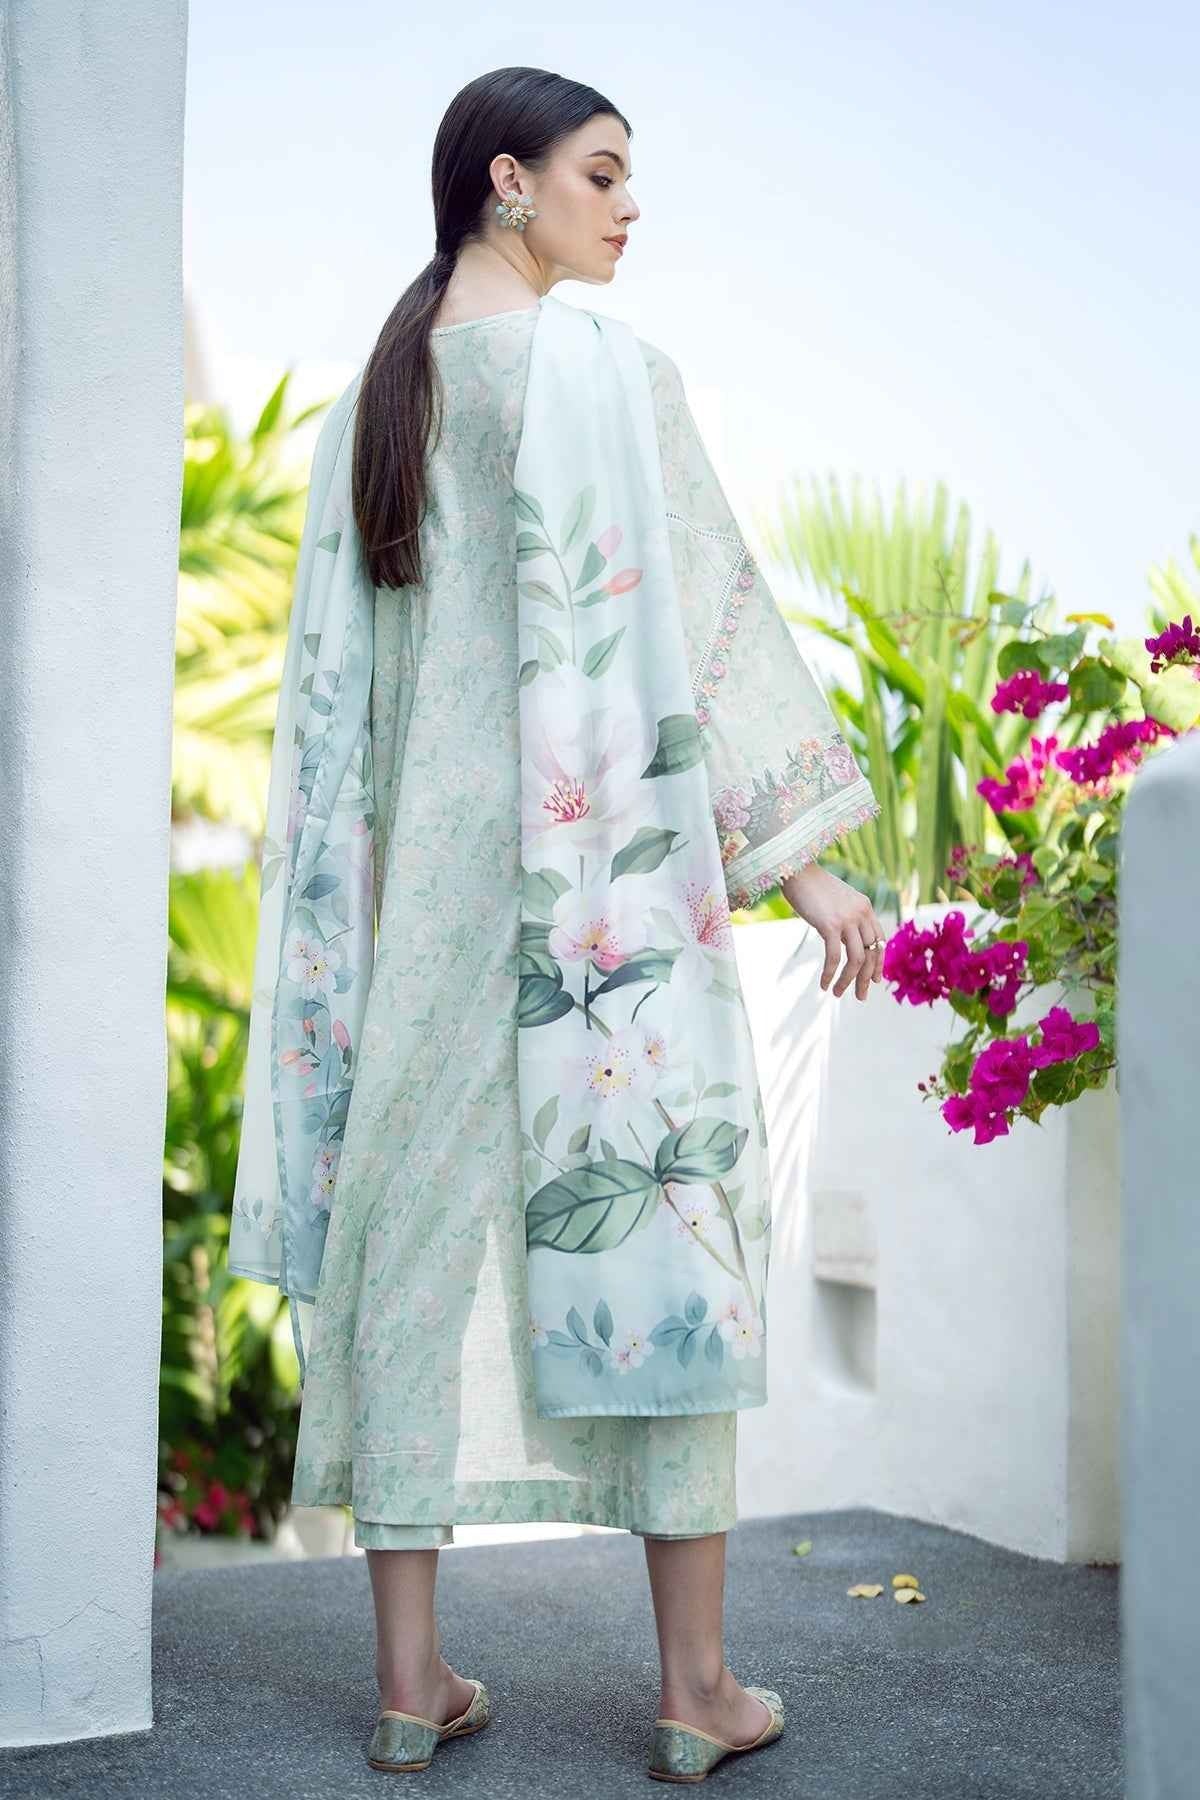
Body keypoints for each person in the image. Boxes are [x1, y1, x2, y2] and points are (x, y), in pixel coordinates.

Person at [229, 65, 886, 1781]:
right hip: (599, 896)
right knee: (659, 1210)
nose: (630, 204)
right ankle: (694, 1691)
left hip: (419, 897)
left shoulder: (378, 404)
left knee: (408, 1243)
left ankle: (410, 1684)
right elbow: (704, 625)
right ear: (506, 182)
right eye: (603, 172)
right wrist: (803, 861)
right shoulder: (609, 374)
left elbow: (342, 707)